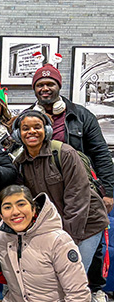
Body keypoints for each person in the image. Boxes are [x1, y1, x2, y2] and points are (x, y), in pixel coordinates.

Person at [29, 64, 114, 302]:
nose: (45, 89)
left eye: (49, 84)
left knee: (88, 242)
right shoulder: (28, 119)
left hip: (82, 187)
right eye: (40, 85)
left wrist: (108, 191)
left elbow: (100, 153)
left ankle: (95, 291)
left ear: (58, 86)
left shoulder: (80, 116)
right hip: (47, 190)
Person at [12, 110, 109, 279]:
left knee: (73, 277)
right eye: (25, 128)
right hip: (56, 228)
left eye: (37, 127)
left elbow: (77, 199)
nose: (31, 132)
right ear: (18, 134)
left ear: (47, 130)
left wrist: (65, 239)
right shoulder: (20, 163)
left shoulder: (64, 153)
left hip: (86, 225)